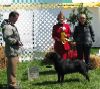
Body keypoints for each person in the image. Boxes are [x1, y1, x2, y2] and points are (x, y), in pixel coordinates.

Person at [1, 11, 22, 89]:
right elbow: (7, 38)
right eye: (16, 18)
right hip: (11, 51)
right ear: (11, 17)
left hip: (14, 50)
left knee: (13, 69)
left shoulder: (11, 26)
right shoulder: (8, 27)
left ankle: (12, 83)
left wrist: (18, 41)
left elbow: (13, 36)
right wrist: (16, 42)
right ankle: (12, 85)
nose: (16, 20)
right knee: (11, 70)